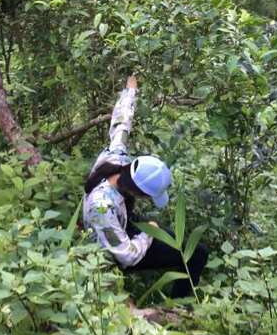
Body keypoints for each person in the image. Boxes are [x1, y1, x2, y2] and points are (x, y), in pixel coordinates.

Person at [82, 75, 208, 299]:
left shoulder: (116, 158)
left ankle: (180, 300)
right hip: (109, 248)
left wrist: (130, 90)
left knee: (196, 251)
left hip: (123, 223)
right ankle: (180, 306)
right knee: (194, 255)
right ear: (136, 192)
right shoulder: (102, 206)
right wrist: (148, 233)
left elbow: (121, 123)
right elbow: (126, 256)